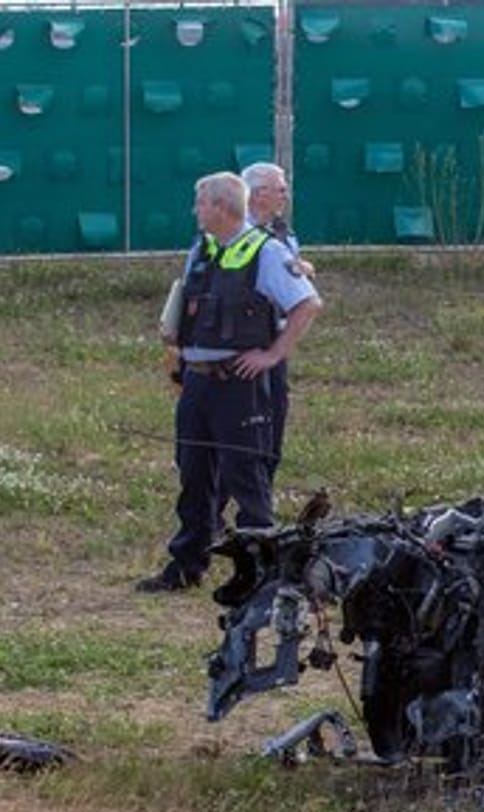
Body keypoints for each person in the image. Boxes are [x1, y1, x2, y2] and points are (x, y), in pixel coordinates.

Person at [137, 172, 322, 592]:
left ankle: (258, 573)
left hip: (238, 384)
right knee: (193, 474)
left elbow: (307, 303)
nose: (195, 211)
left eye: (200, 203)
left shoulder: (266, 251)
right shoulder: (202, 249)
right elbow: (187, 302)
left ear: (221, 207)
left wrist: (273, 354)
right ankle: (187, 565)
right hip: (198, 382)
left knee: (246, 475)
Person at [240, 162, 313, 485]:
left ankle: (260, 497)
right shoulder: (231, 235)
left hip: (274, 339)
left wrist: (300, 270)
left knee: (272, 423)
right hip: (240, 344)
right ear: (257, 194)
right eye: (279, 189)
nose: (286, 195)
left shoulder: (282, 233)